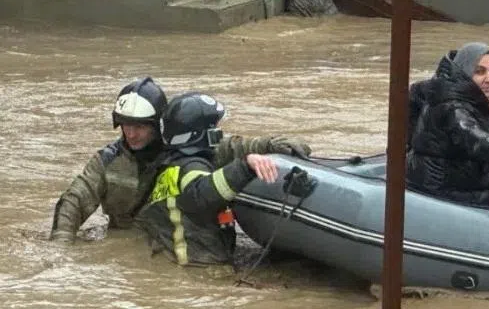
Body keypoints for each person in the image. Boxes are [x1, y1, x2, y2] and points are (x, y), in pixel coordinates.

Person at [50, 76, 311, 242]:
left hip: (173, 245)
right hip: (130, 243)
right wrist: (61, 245)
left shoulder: (187, 149)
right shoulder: (106, 161)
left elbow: (236, 147)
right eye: (125, 125)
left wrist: (275, 145)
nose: (131, 133)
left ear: (157, 125)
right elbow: (74, 201)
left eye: (139, 126)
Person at [134, 92, 279, 265]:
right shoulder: (192, 168)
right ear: (203, 133)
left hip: (176, 262)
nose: (219, 133)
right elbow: (202, 194)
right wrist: (245, 167)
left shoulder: (170, 166)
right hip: (199, 268)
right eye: (215, 128)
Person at [407, 42, 489, 210]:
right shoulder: (453, 107)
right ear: (464, 72)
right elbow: (469, 132)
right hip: (452, 194)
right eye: (480, 72)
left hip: (450, 181)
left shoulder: (438, 90)